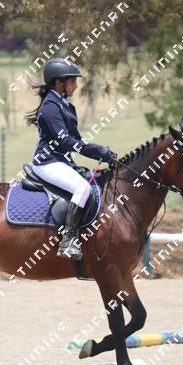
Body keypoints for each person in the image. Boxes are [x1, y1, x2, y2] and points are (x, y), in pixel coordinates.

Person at [25, 58, 117, 260]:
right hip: (47, 162)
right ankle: (67, 241)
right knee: (82, 189)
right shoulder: (50, 107)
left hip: (62, 162)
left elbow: (77, 140)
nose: (76, 85)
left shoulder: (65, 105)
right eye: (72, 81)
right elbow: (66, 142)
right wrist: (98, 151)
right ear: (59, 83)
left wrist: (101, 153)